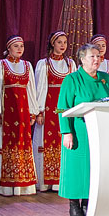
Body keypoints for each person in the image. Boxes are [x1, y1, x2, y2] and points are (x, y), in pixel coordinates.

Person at [58, 43, 109, 216]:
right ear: (82, 59)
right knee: (77, 168)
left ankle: (89, 202)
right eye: (92, 56)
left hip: (99, 131)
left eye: (98, 56)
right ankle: (74, 203)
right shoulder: (72, 79)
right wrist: (66, 132)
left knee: (94, 168)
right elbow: (62, 108)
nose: (96, 59)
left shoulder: (105, 78)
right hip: (79, 131)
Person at [0, 35, 39, 195]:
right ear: (8, 48)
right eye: (16, 46)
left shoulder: (27, 65)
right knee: (2, 145)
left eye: (21, 46)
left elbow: (31, 89)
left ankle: (22, 184)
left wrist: (33, 111)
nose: (19, 49)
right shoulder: (0, 65)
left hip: (22, 112)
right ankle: (2, 187)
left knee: (22, 145)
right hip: (6, 113)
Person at [35, 31, 76, 192]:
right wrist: (39, 110)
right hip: (49, 106)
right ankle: (45, 182)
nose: (63, 45)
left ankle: (61, 181)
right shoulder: (44, 64)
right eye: (59, 42)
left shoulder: (70, 64)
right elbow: (40, 88)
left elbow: (73, 88)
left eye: (65, 42)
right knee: (47, 141)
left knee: (64, 140)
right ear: (53, 44)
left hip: (65, 107)